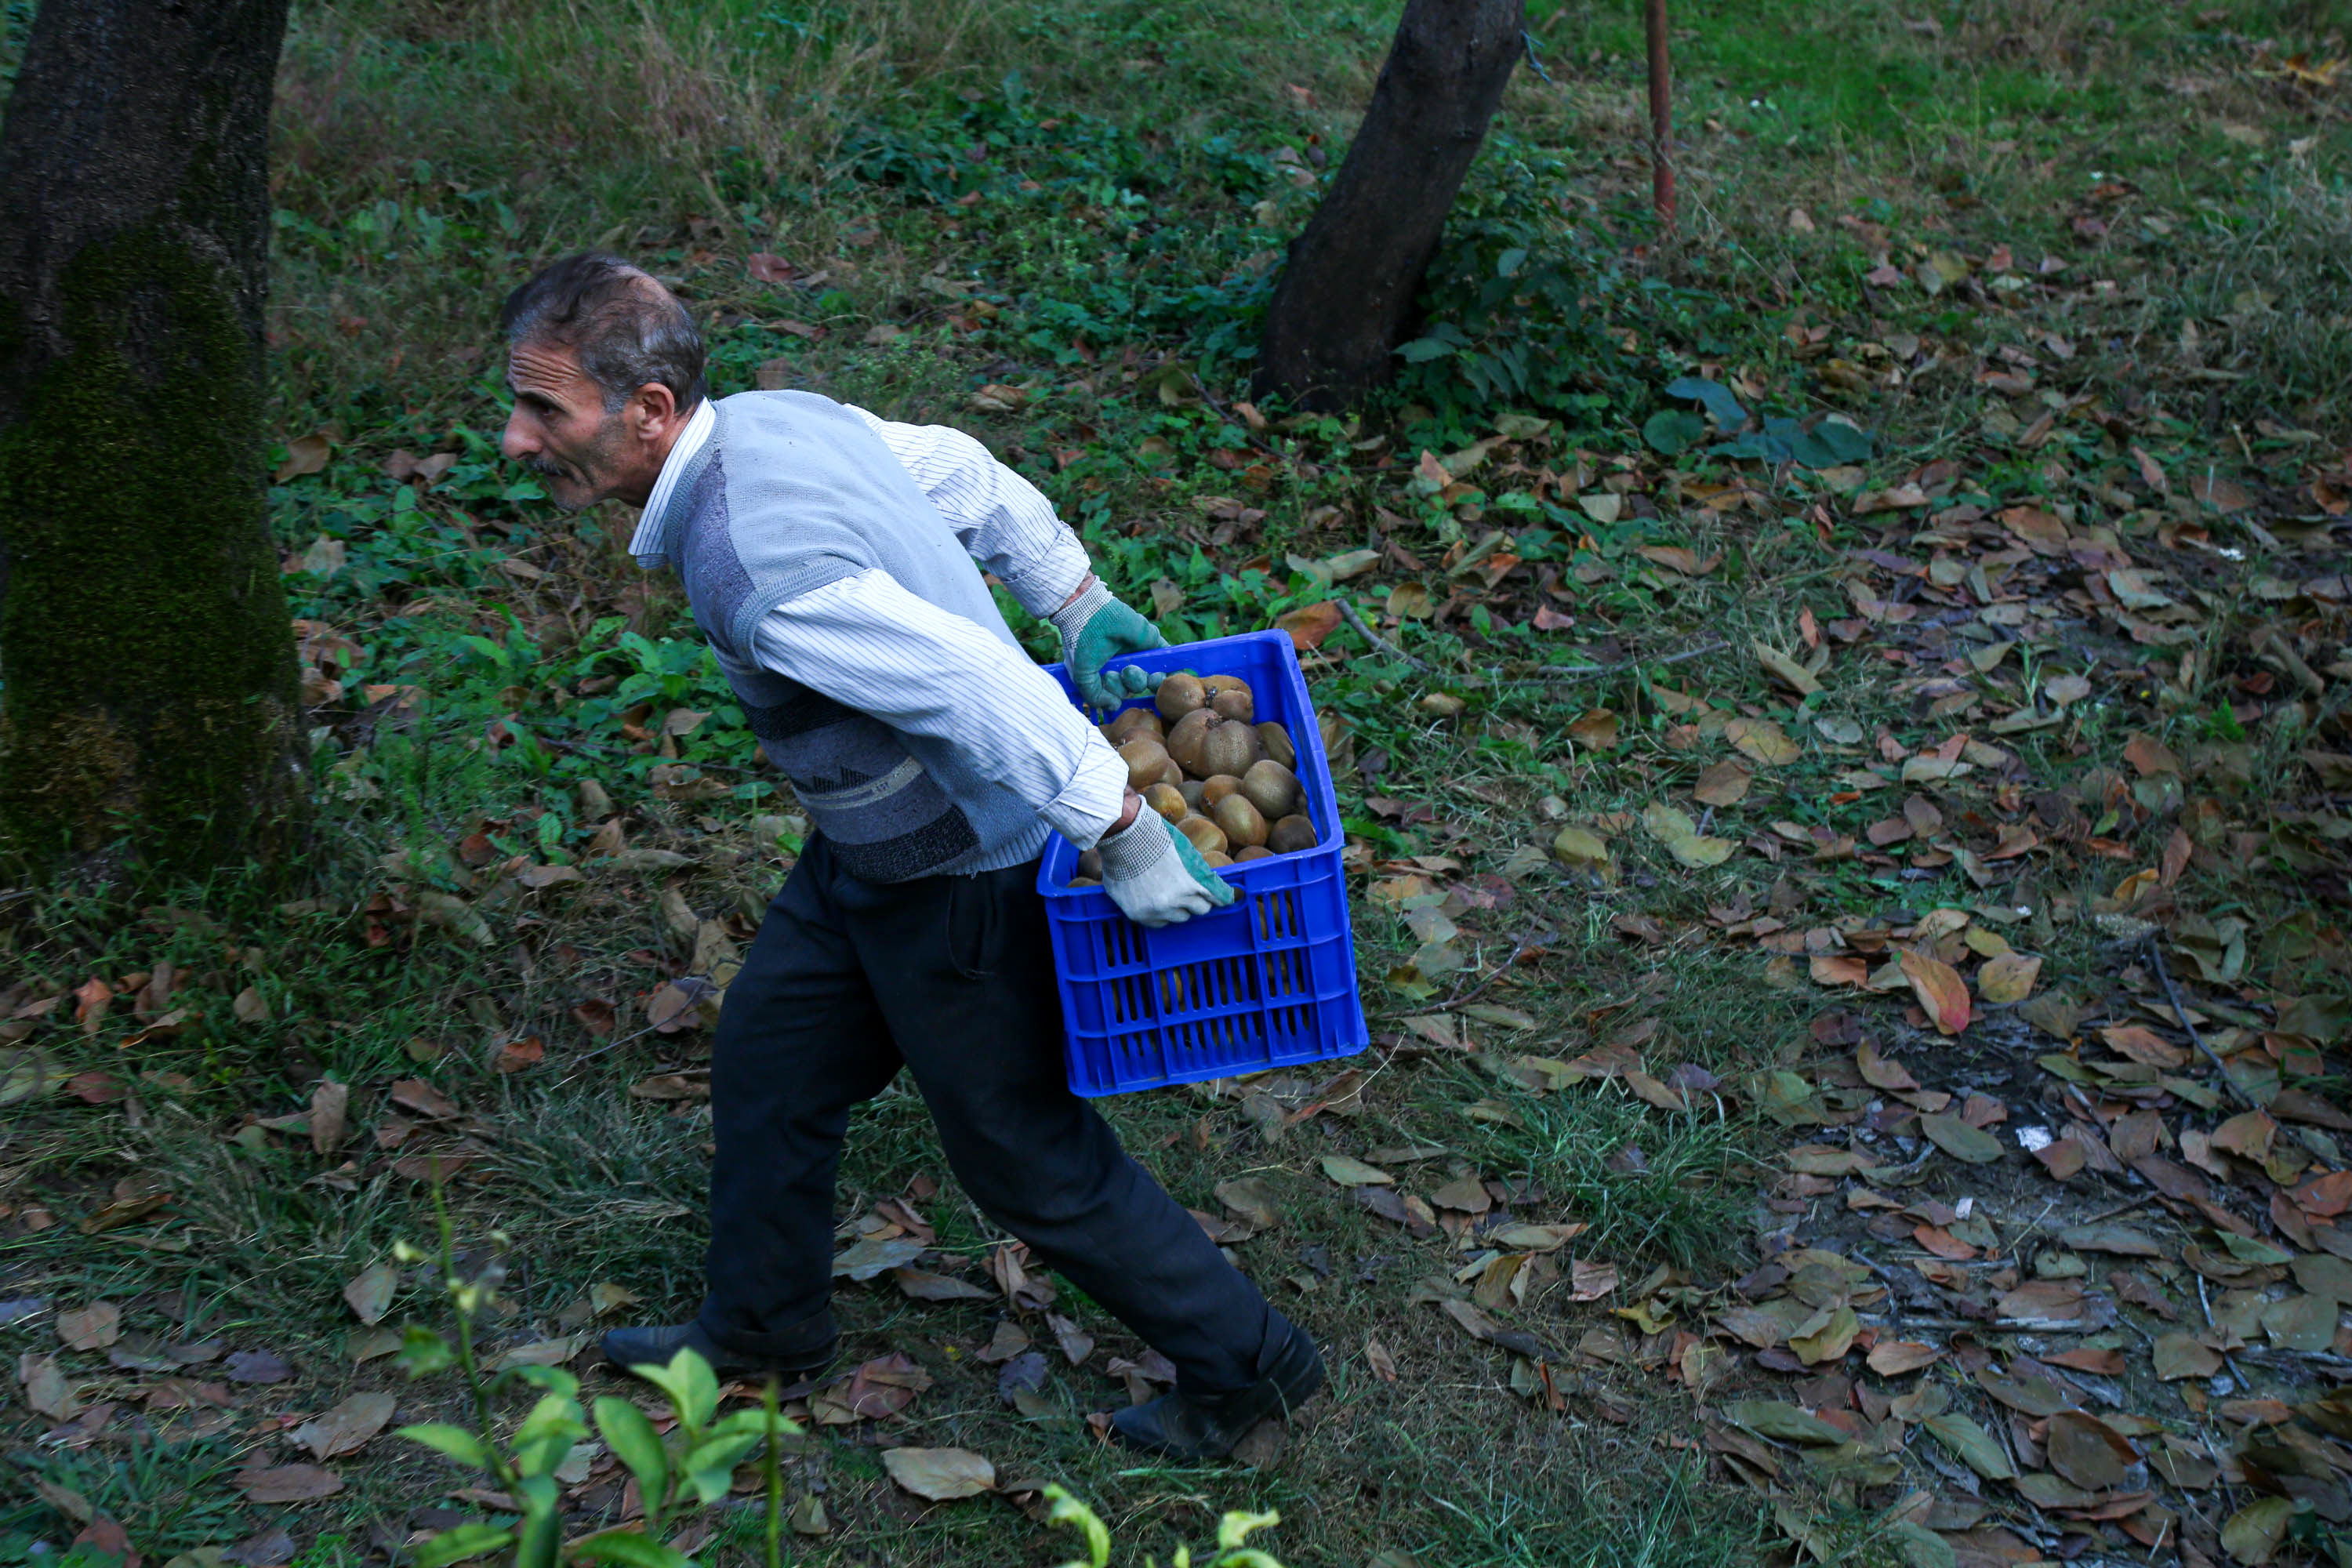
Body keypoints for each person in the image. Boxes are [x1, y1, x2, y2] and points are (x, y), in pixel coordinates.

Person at [494, 252, 1322, 1460]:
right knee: (771, 1062)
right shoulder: (771, 422)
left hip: (957, 880)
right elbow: (957, 472)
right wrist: (1074, 596)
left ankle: (1251, 1367)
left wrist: (1126, 831)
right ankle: (763, 1323)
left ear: (651, 411)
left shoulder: (756, 570)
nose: (516, 439)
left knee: (1025, 1157)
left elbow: (970, 682)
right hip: (865, 861)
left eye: (543, 409)